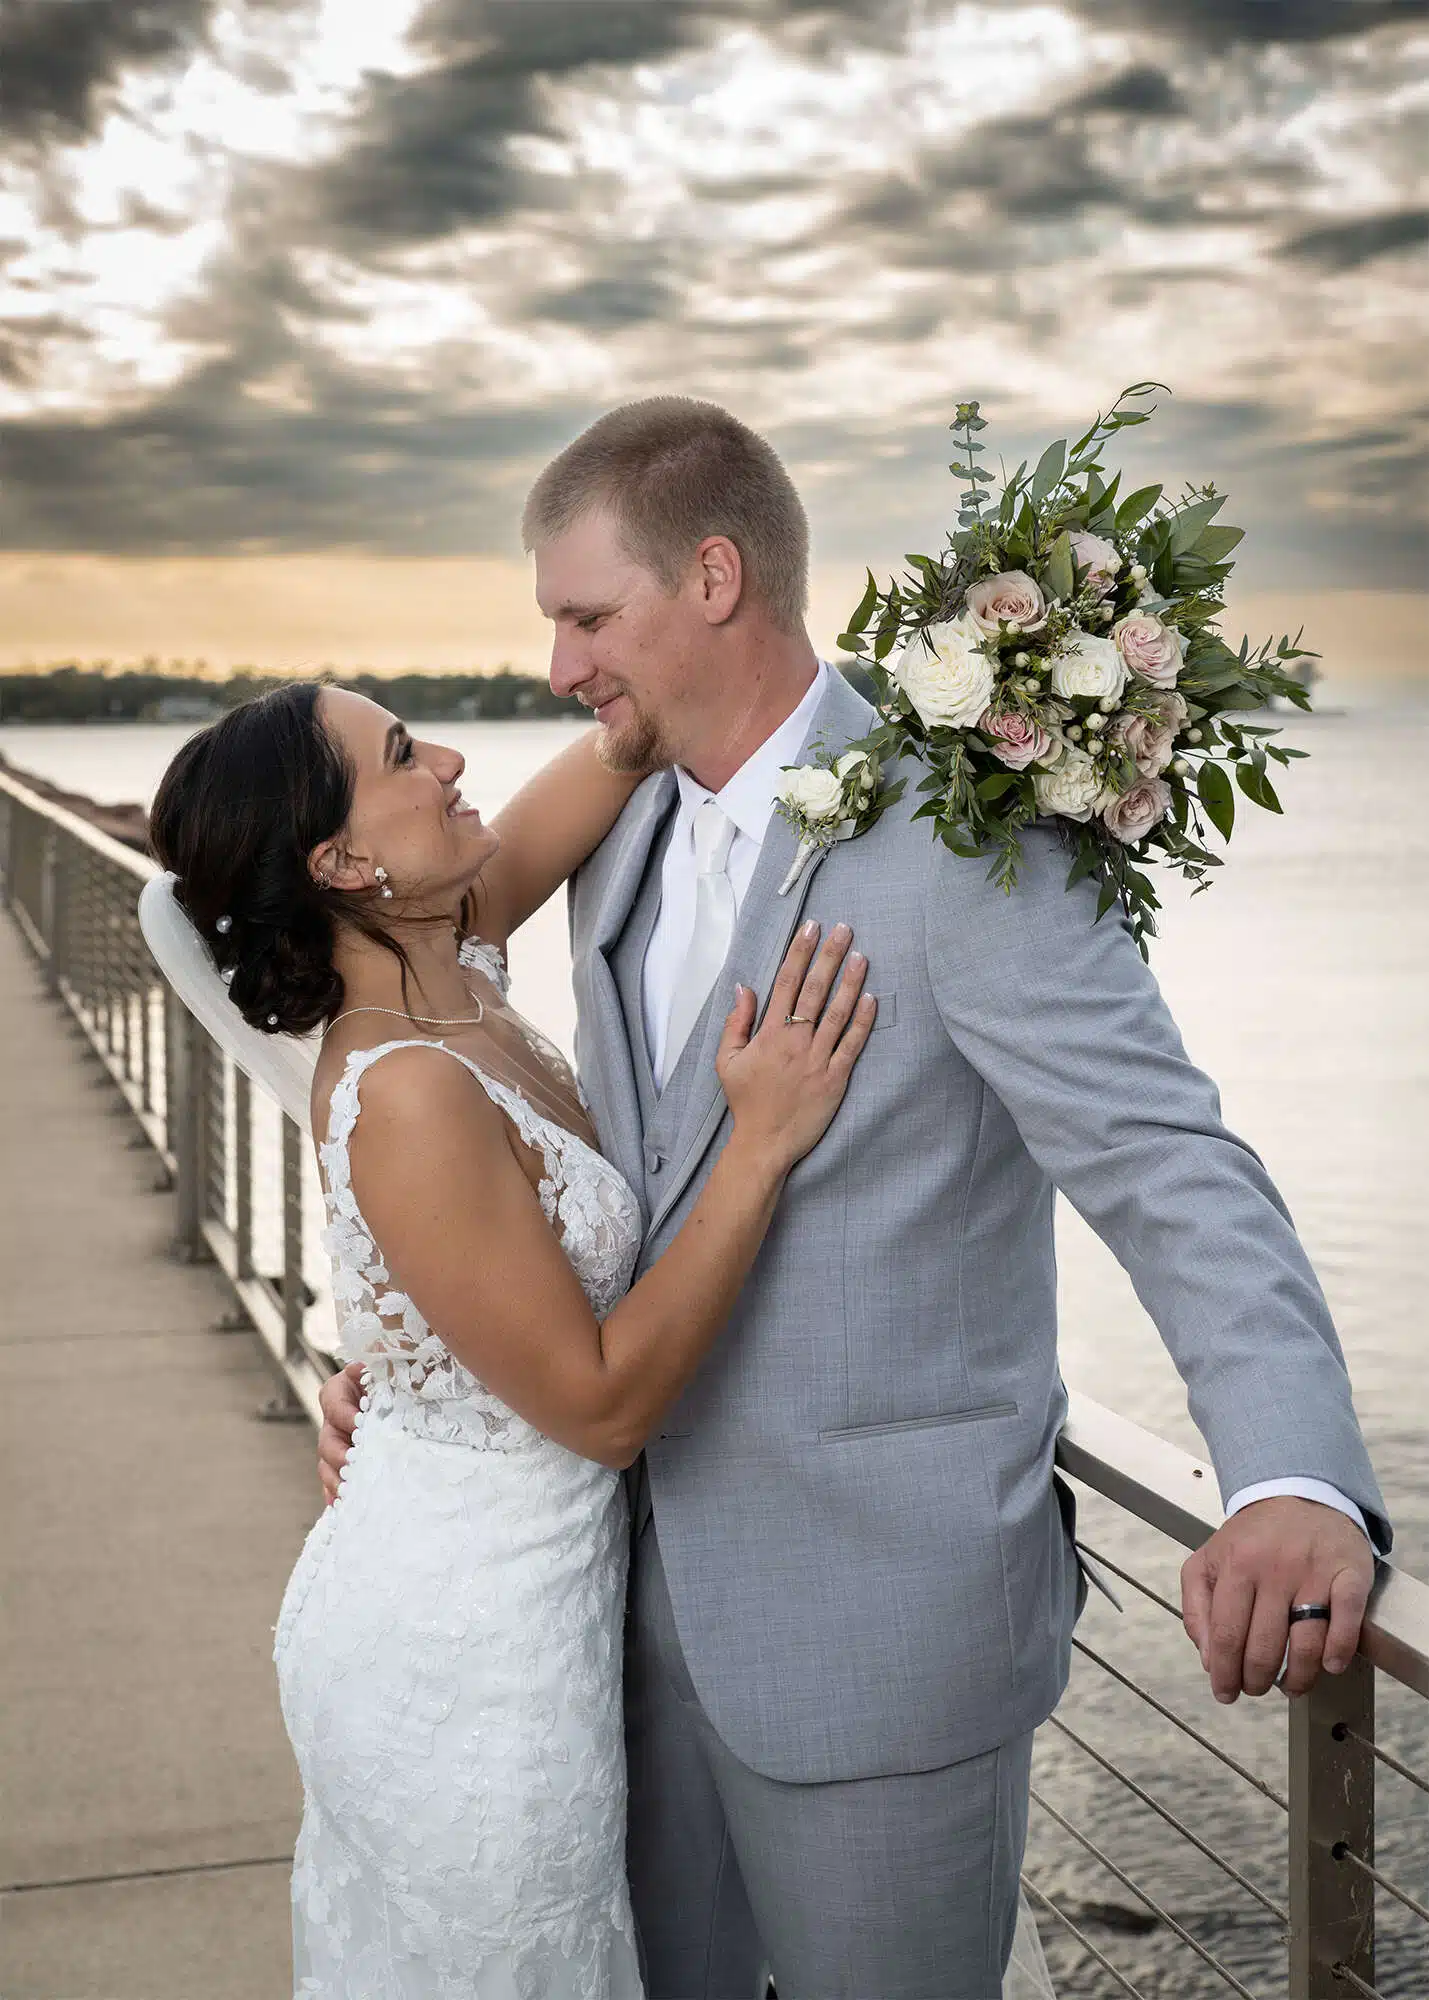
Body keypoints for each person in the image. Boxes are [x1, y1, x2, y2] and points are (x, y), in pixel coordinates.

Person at [311, 397, 1389, 2000]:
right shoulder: (614, 836)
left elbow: (1170, 1162)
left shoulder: (973, 843)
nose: (561, 672)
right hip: (599, 1636)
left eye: (589, 618)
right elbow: (557, 1164)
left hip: (883, 1652)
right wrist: (426, 1370)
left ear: (719, 577)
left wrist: (1291, 1472)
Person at [146, 681, 878, 1998]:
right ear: (347, 862)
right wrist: (759, 1146)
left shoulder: (455, 954)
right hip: (470, 1653)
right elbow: (599, 1408)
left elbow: (621, 748)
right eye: (405, 754)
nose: (454, 758)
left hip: (520, 1593)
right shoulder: (410, 1089)